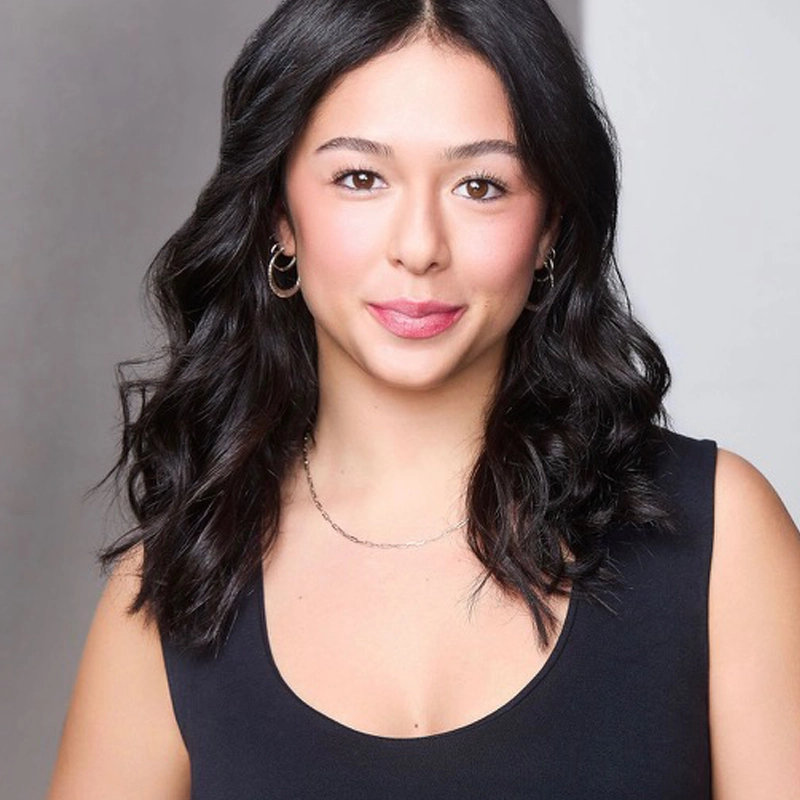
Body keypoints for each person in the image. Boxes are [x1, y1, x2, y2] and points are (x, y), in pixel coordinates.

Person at [48, 0, 800, 797]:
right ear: (280, 219)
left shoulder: (721, 536)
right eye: (360, 177)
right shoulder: (172, 588)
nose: (419, 247)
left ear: (549, 229)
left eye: (481, 185)